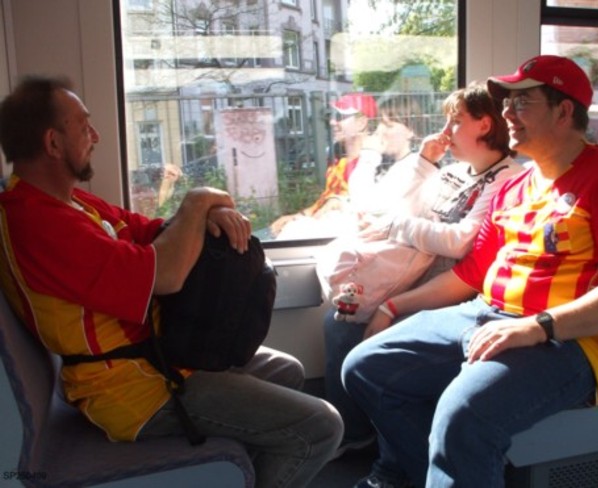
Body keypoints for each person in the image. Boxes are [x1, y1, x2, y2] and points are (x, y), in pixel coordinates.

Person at [0, 75, 343, 488]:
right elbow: (165, 275)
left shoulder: (70, 202)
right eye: (84, 126)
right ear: (53, 143)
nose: (96, 136)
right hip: (130, 391)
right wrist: (199, 200)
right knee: (320, 427)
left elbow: (153, 231)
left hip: (157, 356)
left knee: (287, 370)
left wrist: (207, 215)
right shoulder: (37, 223)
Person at [341, 54, 598, 488]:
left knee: (463, 414)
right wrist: (393, 305)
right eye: (507, 103)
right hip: (484, 314)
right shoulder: (514, 186)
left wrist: (538, 327)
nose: (507, 113)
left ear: (564, 112)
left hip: (570, 341)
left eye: (523, 103)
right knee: (366, 368)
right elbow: (472, 275)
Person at [322, 83, 522, 463]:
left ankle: (386, 453)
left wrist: (397, 226)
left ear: (484, 125)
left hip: (449, 292)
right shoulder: (456, 171)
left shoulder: (506, 180)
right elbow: (394, 208)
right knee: (340, 320)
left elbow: (459, 242)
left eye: (455, 121)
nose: (445, 131)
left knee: (368, 338)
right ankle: (357, 432)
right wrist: (425, 162)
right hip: (412, 274)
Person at [271, 92, 380, 239]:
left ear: (361, 123)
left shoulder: (374, 163)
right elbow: (326, 200)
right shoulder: (339, 160)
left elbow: (369, 210)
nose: (333, 122)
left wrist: (338, 204)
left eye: (341, 117)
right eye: (333, 116)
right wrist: (298, 216)